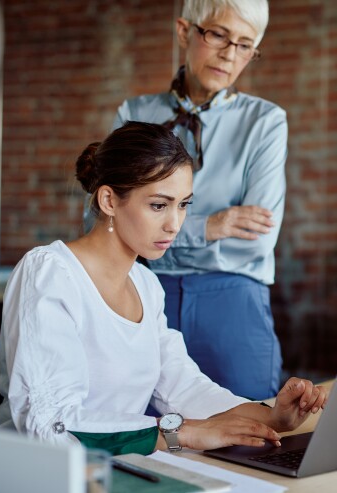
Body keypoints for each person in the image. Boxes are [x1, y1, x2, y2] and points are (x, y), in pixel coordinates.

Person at [0, 122, 326, 456]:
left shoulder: (146, 284)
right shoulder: (49, 273)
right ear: (109, 200)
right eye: (158, 205)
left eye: (183, 205)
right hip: (37, 474)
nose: (175, 224)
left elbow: (184, 389)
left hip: (120, 469)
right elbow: (49, 424)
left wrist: (274, 416)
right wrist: (184, 434)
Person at [98, 0, 286, 401]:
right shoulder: (135, 114)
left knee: (251, 436)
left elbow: (257, 240)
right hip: (142, 295)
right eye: (218, 34)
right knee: (148, 435)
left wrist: (151, 237)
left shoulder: (266, 123)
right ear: (185, 31)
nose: (230, 55)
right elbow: (104, 223)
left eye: (245, 45)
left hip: (233, 304)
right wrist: (209, 226)